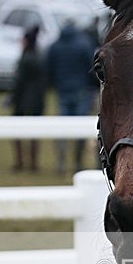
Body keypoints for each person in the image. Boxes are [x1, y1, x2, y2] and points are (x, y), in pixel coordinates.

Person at [46, 18, 96, 175]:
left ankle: (61, 162)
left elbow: (48, 68)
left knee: (62, 129)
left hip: (62, 91)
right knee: (81, 129)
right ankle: (77, 163)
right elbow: (92, 67)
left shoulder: (55, 45)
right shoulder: (84, 44)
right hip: (81, 91)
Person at [9, 25, 46, 172]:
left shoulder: (25, 58)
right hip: (37, 98)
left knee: (18, 132)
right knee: (34, 133)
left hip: (22, 100)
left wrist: (12, 97)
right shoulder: (39, 56)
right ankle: (33, 162)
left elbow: (19, 81)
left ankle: (20, 161)